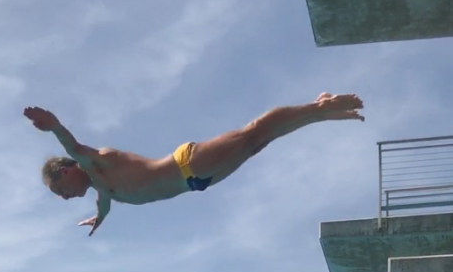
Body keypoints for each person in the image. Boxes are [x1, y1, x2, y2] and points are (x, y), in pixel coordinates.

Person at [24, 93, 364, 236]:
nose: (65, 197)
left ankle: (318, 107)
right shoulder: (101, 189)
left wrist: (53, 125)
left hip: (187, 163)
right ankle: (320, 112)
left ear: (67, 170)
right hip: (197, 181)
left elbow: (72, 144)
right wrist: (98, 220)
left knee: (252, 134)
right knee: (260, 143)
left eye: (61, 190)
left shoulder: (94, 163)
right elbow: (106, 207)